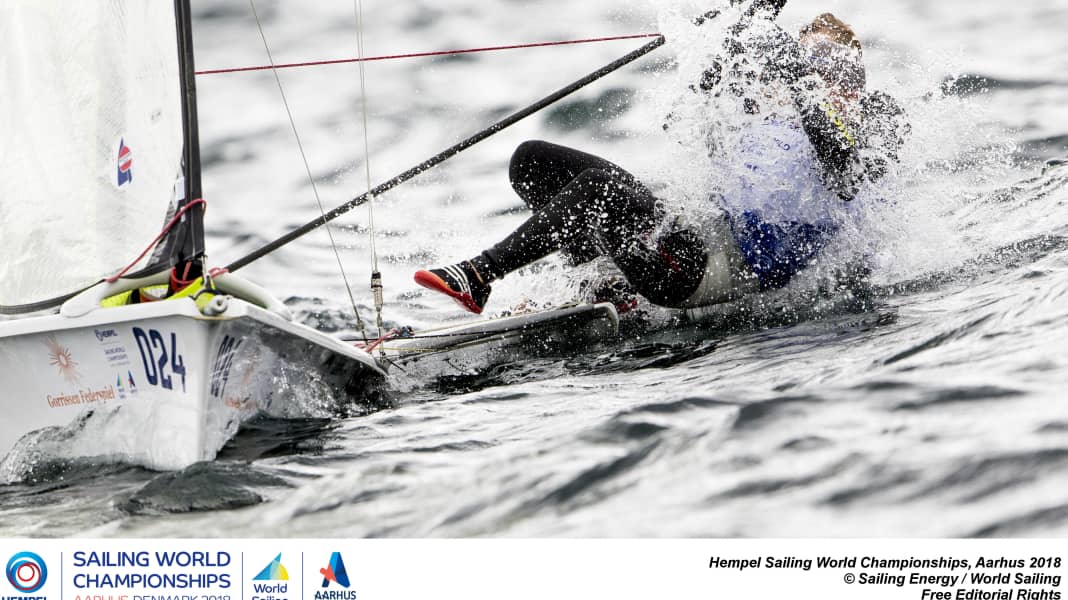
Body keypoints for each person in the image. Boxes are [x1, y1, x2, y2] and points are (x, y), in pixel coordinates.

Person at [414, 2, 909, 315]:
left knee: (595, 195)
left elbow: (843, 170)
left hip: (713, 270)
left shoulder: (876, 125)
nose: (825, 79)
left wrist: (799, 81)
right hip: (689, 232)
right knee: (532, 160)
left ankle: (479, 275)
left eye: (835, 69)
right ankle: (604, 287)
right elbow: (704, 91)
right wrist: (746, 25)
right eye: (810, 66)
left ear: (858, 80)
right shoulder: (772, 116)